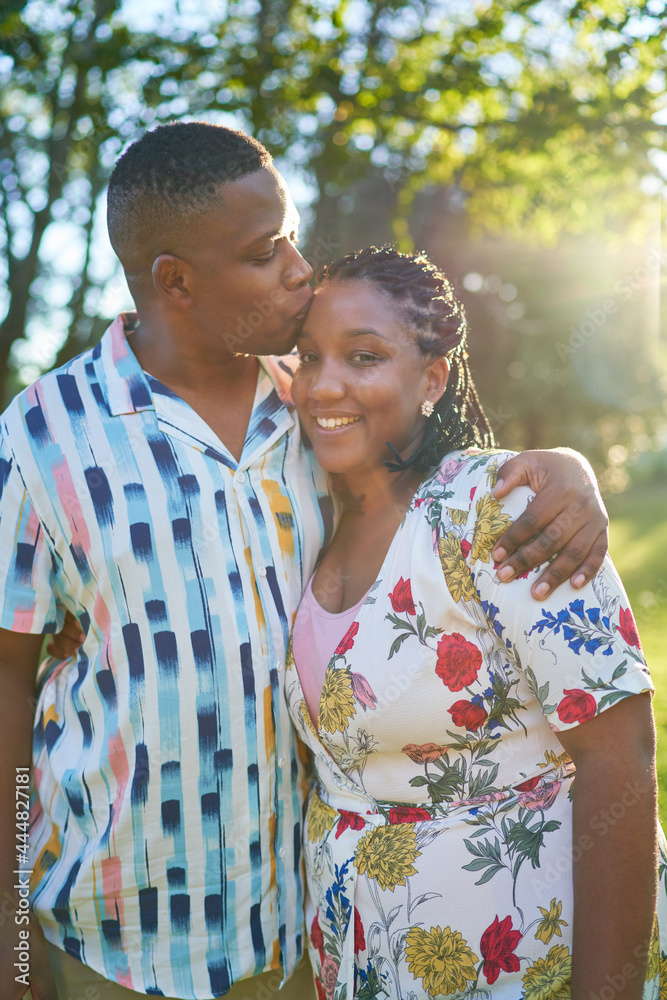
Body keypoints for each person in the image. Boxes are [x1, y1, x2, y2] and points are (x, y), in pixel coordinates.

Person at [0, 123, 610, 1000]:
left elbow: (436, 473)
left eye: (289, 237)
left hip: (305, 938)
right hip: (113, 944)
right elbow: (9, 680)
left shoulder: (313, 406)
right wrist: (11, 942)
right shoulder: (41, 439)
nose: (298, 268)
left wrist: (566, 469)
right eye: (263, 253)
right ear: (175, 281)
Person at [286, 246, 665, 999]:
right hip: (365, 965)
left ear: (432, 380)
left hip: (527, 961)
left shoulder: (498, 508)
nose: (323, 384)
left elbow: (617, 755)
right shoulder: (304, 514)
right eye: (307, 356)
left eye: (364, 356)